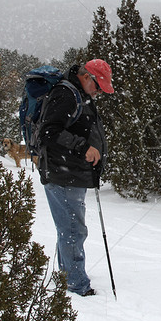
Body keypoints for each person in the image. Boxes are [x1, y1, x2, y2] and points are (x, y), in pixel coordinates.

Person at [36, 59, 114, 296]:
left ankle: (67, 275)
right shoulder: (66, 94)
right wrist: (83, 148)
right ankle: (76, 284)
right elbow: (49, 132)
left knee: (70, 228)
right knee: (72, 230)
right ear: (87, 77)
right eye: (99, 86)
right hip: (62, 173)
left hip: (71, 174)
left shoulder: (79, 94)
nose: (99, 92)